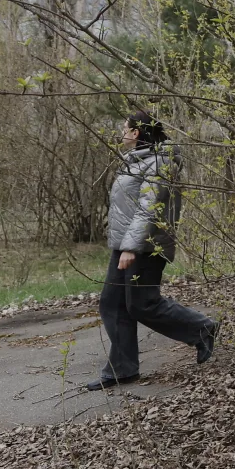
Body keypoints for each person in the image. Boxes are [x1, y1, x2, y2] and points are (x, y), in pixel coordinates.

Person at [88, 109, 219, 391]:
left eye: (125, 128)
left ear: (136, 132)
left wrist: (131, 248)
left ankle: (201, 328)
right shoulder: (135, 160)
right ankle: (122, 369)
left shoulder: (161, 162)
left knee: (141, 303)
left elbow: (148, 207)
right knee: (113, 304)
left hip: (145, 246)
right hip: (125, 244)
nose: (121, 133)